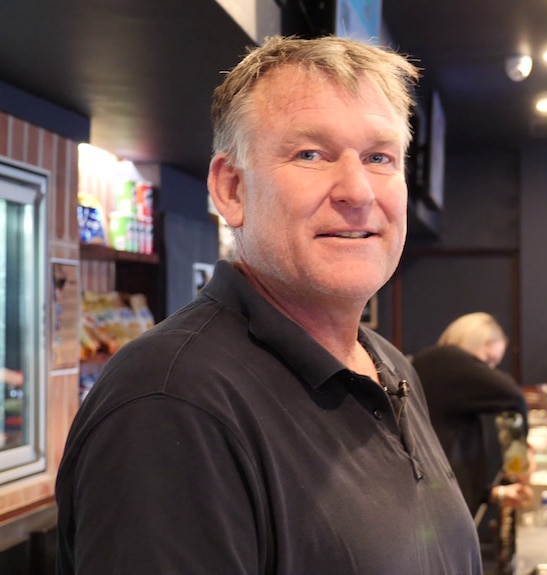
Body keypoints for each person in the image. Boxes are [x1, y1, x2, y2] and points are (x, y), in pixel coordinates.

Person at [55, 35, 482, 574]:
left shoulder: (389, 366)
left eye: (379, 157)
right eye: (310, 154)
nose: (357, 190)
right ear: (231, 189)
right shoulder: (171, 403)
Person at [411, 313, 534, 523]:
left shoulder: (446, 380)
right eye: (487, 361)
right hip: (436, 516)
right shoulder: (443, 360)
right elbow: (513, 397)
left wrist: (493, 494)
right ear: (470, 343)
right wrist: (520, 458)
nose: (489, 372)